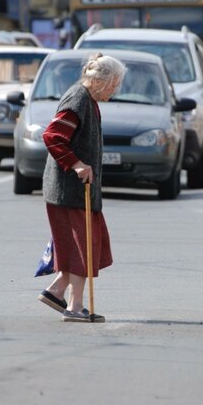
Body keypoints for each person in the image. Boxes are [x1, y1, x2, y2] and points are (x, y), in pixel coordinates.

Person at [38, 52, 126, 323]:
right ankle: (75, 307)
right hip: (70, 191)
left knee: (85, 245)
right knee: (82, 248)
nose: (115, 90)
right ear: (101, 81)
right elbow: (52, 136)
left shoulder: (88, 99)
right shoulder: (78, 98)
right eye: (114, 84)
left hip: (77, 191)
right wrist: (76, 164)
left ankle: (57, 291)